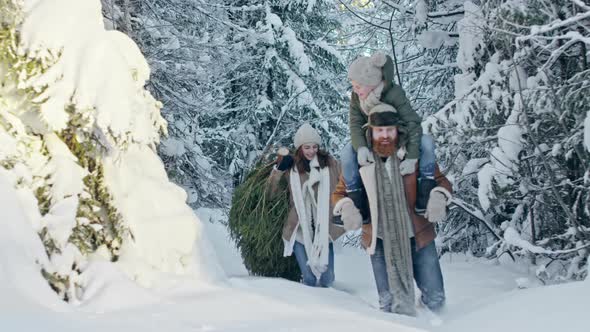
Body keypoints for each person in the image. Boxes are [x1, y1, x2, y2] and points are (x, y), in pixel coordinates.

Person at [332, 104, 453, 315]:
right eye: (380, 131)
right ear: (371, 131)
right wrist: (347, 206)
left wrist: (438, 196)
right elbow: (339, 193)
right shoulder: (360, 162)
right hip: (379, 241)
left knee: (435, 298)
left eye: (390, 130)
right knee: (389, 305)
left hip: (418, 237)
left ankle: (435, 325)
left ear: (398, 130)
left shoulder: (413, 157)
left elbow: (440, 181)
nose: (385, 135)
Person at [342, 51, 437, 219]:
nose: (354, 90)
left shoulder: (394, 93)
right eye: (353, 86)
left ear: (371, 82)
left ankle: (426, 188)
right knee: (348, 153)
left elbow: (412, 122)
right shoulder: (357, 98)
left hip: (399, 137)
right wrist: (361, 147)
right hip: (371, 138)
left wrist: (412, 156)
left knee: (427, 143)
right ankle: (356, 199)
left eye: (358, 86)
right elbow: (355, 123)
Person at [267, 123, 345, 287]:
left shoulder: (330, 164)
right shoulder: (292, 168)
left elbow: (346, 183)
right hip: (300, 228)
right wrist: (279, 170)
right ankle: (308, 303)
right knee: (309, 279)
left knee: (327, 279)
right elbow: (271, 193)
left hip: (324, 229)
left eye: (314, 147)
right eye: (307, 147)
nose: (311, 151)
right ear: (300, 148)